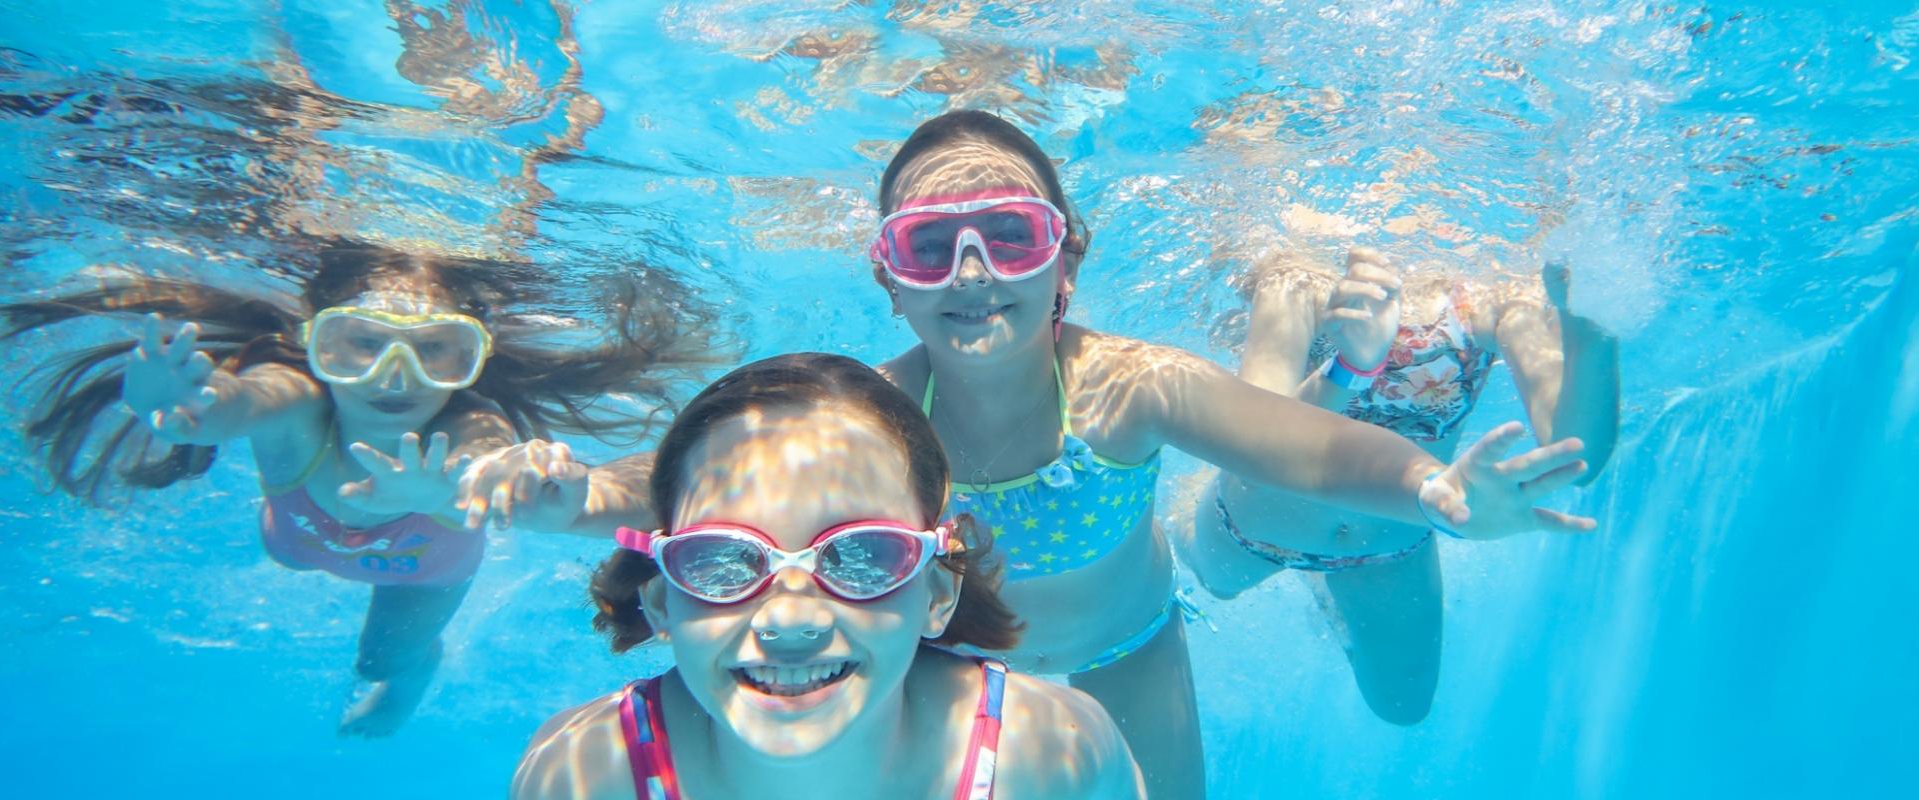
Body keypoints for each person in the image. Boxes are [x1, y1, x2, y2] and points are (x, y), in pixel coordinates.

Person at [480, 110, 1596, 797]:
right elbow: (730, 484)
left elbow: (1301, 446)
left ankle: (1290, 469)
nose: (971, 270)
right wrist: (578, 494)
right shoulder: (881, 411)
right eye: (932, 246)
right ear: (892, 278)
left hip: (1128, 641)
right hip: (943, 663)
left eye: (1007, 235)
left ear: (1065, 260)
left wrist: (1432, 487)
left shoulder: (1127, 387)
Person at [1, 237, 710, 736]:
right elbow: (241, 401)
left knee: (382, 658)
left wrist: (482, 485)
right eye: (360, 345)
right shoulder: (297, 400)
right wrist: (196, 407)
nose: (395, 376)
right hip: (301, 543)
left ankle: (408, 682)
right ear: (315, 344)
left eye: (437, 350)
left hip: (423, 575)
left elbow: (485, 462)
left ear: (473, 359)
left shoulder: (470, 422)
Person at [512, 353, 1143, 799]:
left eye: (862, 555)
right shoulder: (587, 776)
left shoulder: (1050, 757)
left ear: (937, 593)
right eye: (722, 561)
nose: (790, 620)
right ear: (660, 604)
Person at [1175, 250, 1621, 724]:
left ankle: (1328, 588)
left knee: (1402, 706)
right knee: (1214, 584)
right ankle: (1189, 496)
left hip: (1389, 547)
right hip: (1254, 527)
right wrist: (1351, 366)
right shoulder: (1297, 279)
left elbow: (1578, 459)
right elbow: (1249, 446)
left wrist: (1590, 332)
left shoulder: (1496, 298)